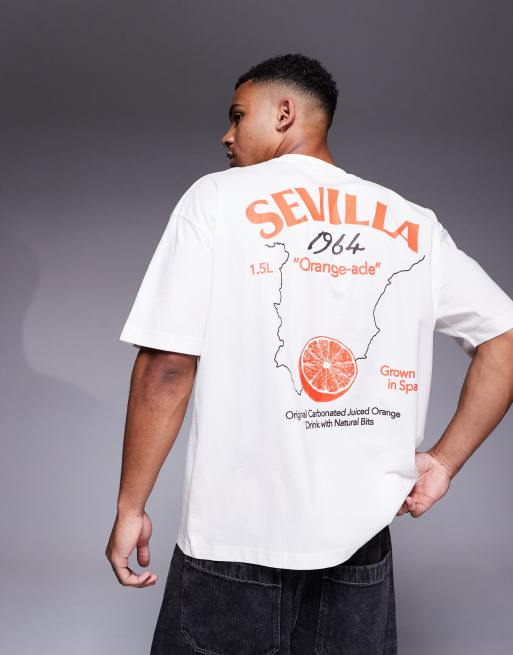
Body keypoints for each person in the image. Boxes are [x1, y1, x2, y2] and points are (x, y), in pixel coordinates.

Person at [105, 53, 513, 654]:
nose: (226, 135)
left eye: (237, 116)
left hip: (235, 541)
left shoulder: (216, 199)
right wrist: (444, 462)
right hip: (360, 546)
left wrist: (130, 506)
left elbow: (167, 367)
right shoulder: (413, 222)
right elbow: (505, 338)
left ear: (284, 113)